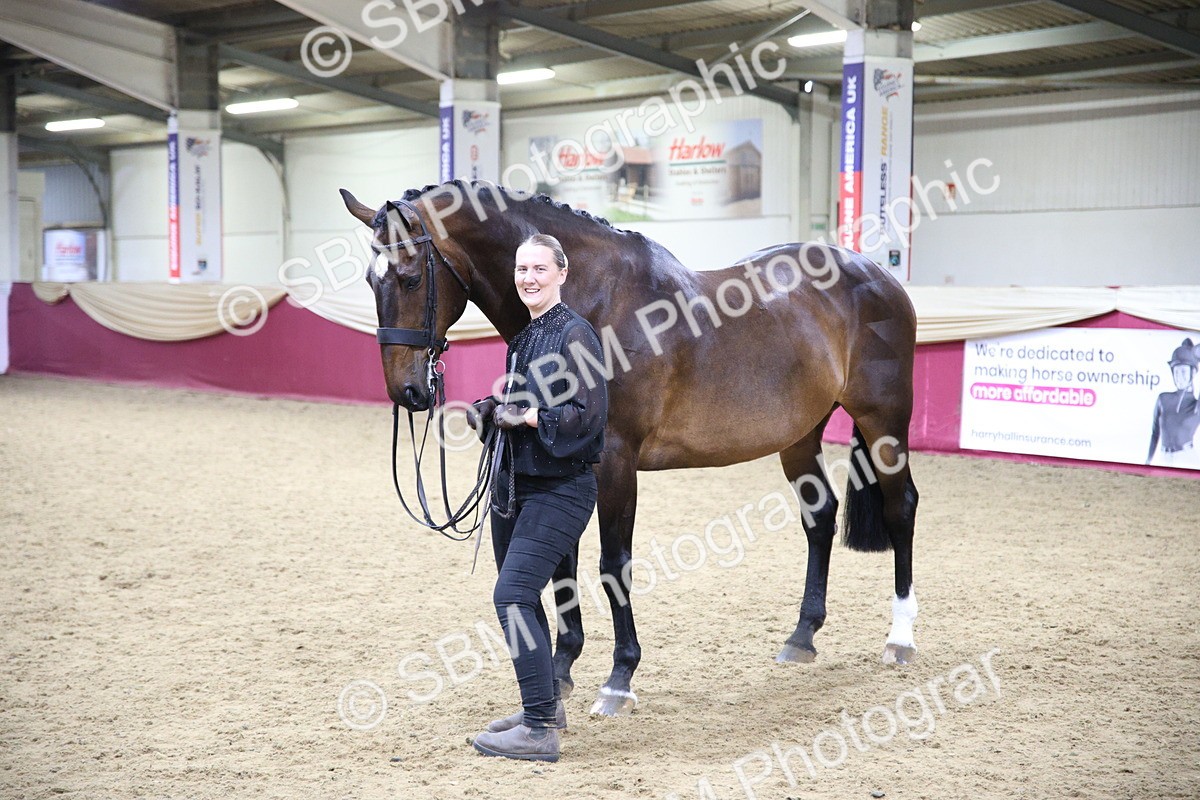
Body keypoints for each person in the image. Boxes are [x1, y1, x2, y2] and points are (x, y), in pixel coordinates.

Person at [465, 233, 608, 763]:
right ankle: (544, 704)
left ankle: (539, 729)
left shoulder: (576, 335)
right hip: (517, 488)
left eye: (539, 269)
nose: (528, 278)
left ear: (562, 274)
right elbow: (523, 398)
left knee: (512, 595)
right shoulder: (525, 337)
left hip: (561, 489)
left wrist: (525, 417)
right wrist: (490, 407)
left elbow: (588, 419)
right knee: (522, 596)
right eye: (522, 269)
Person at [1146, 337, 1200, 466]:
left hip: (1186, 458)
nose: (1179, 376)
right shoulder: (1163, 399)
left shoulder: (1196, 404)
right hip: (1163, 457)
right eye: (1176, 371)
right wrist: (1147, 461)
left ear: (1192, 373)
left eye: (1183, 371)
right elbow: (1155, 433)